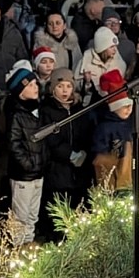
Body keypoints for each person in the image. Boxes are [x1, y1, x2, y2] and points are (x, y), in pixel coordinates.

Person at [39, 68, 90, 237]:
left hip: (78, 171)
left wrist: (83, 152)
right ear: (53, 88)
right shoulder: (47, 110)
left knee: (77, 208)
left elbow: (85, 133)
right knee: (59, 211)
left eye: (68, 86)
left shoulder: (78, 109)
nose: (65, 90)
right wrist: (69, 154)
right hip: (57, 169)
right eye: (60, 86)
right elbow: (51, 141)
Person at [4, 64, 46, 245]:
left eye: (35, 84)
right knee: (20, 215)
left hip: (38, 171)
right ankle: (17, 246)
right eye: (29, 85)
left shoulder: (37, 111)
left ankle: (29, 242)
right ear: (20, 91)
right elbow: (14, 144)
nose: (35, 87)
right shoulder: (16, 114)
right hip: (24, 174)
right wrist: (27, 164)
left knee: (32, 214)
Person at [92, 70, 135, 191]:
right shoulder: (105, 127)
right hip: (110, 182)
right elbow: (100, 158)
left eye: (130, 106)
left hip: (126, 179)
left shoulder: (127, 123)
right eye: (124, 106)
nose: (128, 110)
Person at [76, 27, 127, 104]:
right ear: (102, 48)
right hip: (91, 105)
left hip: (112, 104)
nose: (115, 49)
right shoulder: (86, 61)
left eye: (116, 46)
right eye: (111, 47)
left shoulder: (119, 62)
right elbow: (76, 86)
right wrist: (87, 82)